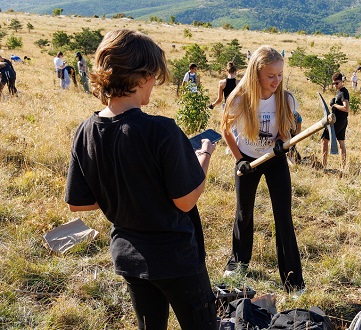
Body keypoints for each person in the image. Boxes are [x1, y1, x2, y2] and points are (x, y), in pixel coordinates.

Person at [64, 29, 217, 330]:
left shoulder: (85, 131)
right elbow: (185, 201)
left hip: (129, 257)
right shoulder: (162, 130)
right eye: (154, 77)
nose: (154, 85)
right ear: (140, 76)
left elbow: (80, 203)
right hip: (176, 258)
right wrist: (204, 157)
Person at [220, 45, 305, 294]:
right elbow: (226, 130)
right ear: (256, 73)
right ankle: (238, 262)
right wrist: (238, 160)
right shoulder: (239, 98)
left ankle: (293, 281)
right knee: (244, 213)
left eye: (280, 75)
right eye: (271, 76)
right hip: (247, 158)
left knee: (283, 217)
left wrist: (281, 142)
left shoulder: (285, 99)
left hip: (274, 159)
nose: (276, 81)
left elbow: (285, 130)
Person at [321, 72, 350, 168]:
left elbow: (346, 108)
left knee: (324, 140)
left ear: (342, 81)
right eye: (333, 84)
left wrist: (335, 105)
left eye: (337, 83)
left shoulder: (343, 92)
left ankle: (323, 165)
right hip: (342, 121)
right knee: (341, 143)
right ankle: (343, 167)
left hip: (337, 121)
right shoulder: (340, 92)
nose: (335, 85)